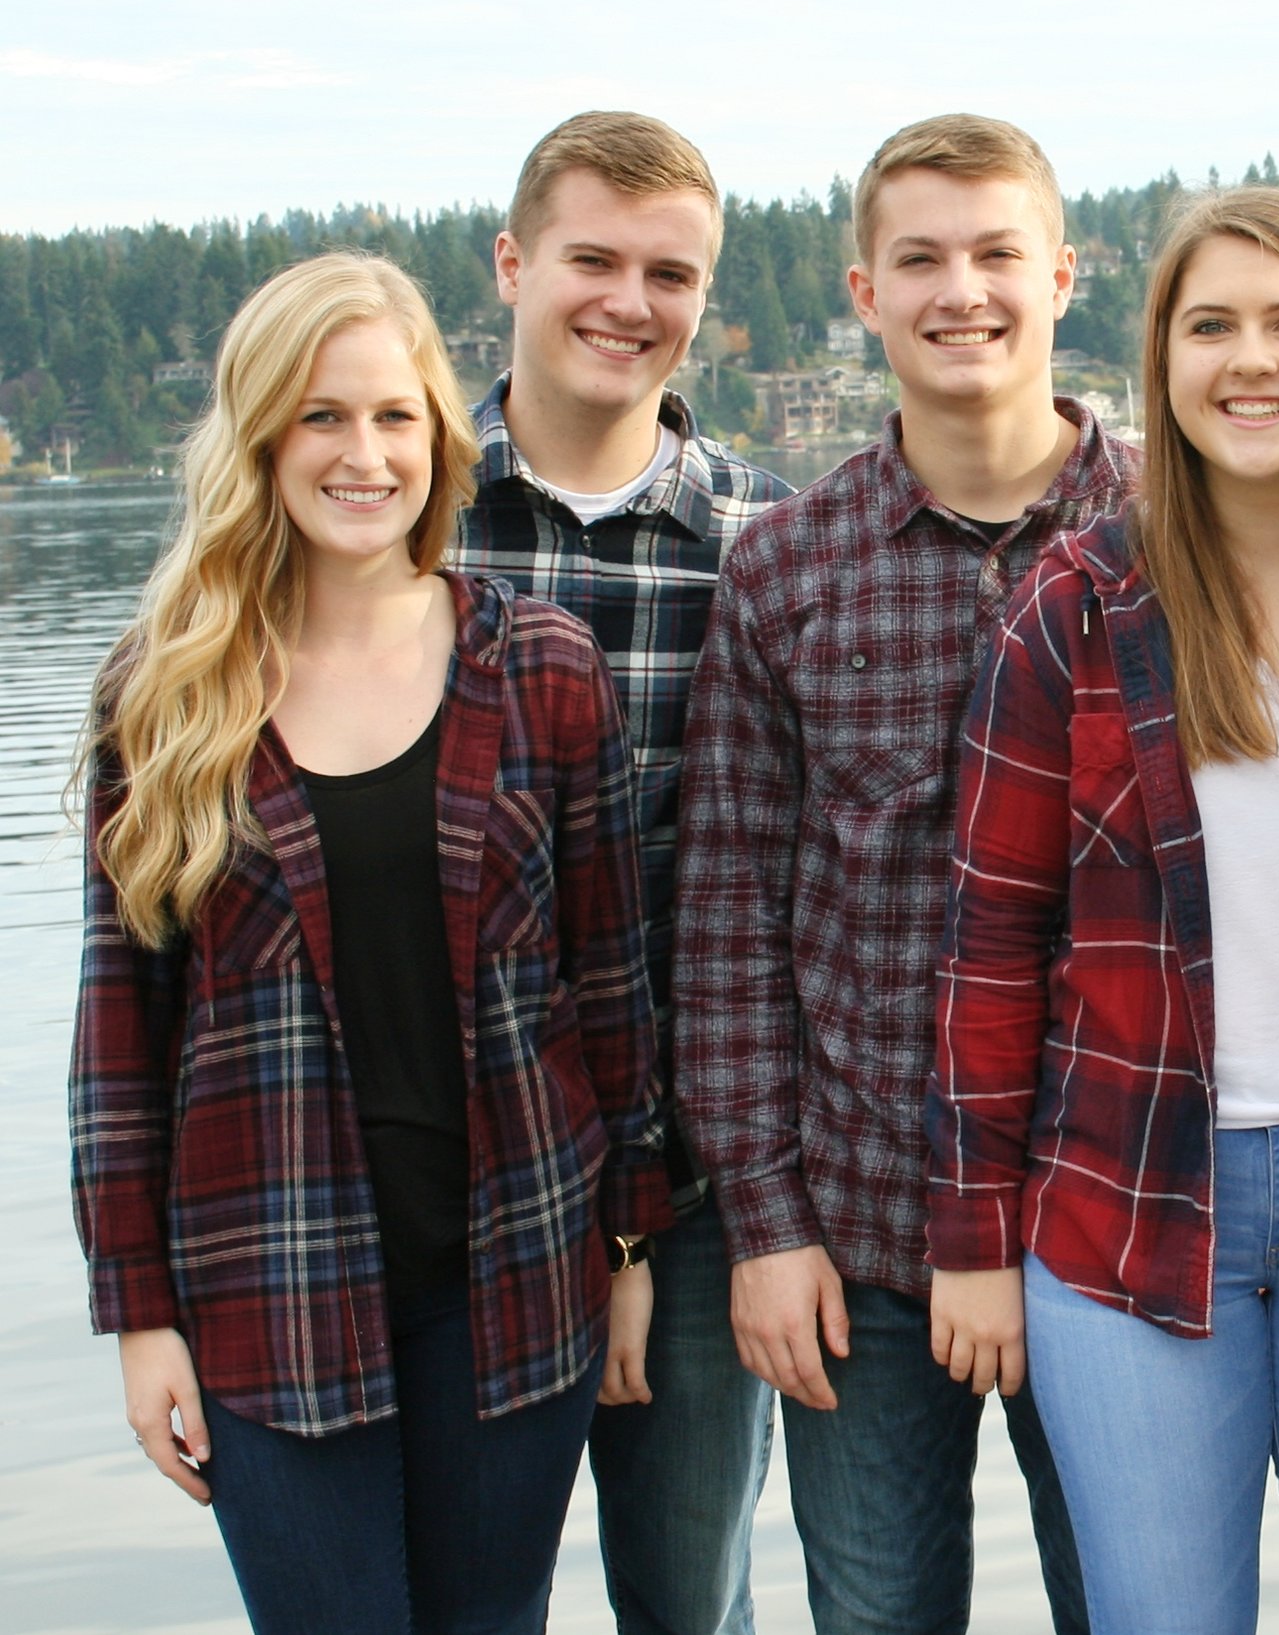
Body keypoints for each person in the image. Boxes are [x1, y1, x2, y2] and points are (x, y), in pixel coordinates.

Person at [69, 251, 669, 1634]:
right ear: (261, 438)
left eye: (396, 416)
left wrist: (631, 1250)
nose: (364, 454)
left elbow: (608, 989)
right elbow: (119, 1038)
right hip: (264, 1288)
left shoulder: (543, 668)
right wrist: (140, 1314)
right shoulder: (164, 695)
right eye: (323, 416)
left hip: (520, 1284)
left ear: (440, 437)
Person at [926, 186, 1279, 1635]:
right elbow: (992, 948)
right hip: (1130, 1198)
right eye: (1210, 325)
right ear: (1161, 357)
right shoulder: (1075, 608)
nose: (1252, 360)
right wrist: (973, 1235)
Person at [675, 113, 1128, 1635]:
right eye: (921, 259)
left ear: (1061, 274)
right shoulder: (786, 568)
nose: (963, 290)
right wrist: (763, 1223)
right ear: (865, 292)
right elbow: (728, 930)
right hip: (859, 1230)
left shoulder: (1176, 536)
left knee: (1136, 1606)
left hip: (1116, 1215)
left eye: (998, 252)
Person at [447, 109, 793, 1635]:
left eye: (672, 273)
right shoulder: (397, 523)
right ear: (512, 263)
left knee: (690, 1600)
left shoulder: (771, 542)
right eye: (592, 258)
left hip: (705, 1178)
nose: (628, 301)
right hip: (460, 1175)